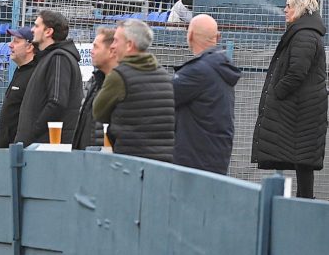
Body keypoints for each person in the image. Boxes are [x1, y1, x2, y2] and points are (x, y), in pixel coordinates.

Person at [252, 0, 327, 198]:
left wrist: (277, 93)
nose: (285, 10)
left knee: (303, 160)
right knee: (301, 159)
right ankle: (304, 201)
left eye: (289, 6)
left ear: (300, 8)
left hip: (302, 109)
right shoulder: (305, 32)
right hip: (302, 108)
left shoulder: (305, 35)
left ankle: (305, 204)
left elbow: (297, 72)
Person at [93, 20, 174, 162]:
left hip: (130, 162)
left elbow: (98, 113)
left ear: (129, 45)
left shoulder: (119, 76)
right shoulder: (165, 76)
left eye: (116, 41)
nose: (112, 46)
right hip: (164, 163)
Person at [173, 15, 241, 174]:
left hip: (193, 164)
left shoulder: (198, 71)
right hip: (215, 159)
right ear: (218, 37)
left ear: (189, 36)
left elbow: (162, 97)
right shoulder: (219, 66)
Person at [14, 10, 83, 145]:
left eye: (37, 26)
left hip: (45, 147)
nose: (32, 30)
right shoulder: (49, 57)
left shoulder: (59, 58)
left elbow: (57, 102)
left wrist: (33, 131)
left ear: (48, 32)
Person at [0, 26, 38, 149]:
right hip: (8, 150)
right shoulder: (20, 70)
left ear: (30, 47)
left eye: (16, 42)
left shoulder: (35, 75)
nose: (10, 45)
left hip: (19, 152)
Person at [72, 27, 116, 150]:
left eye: (96, 47)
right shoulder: (96, 80)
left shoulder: (120, 84)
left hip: (104, 160)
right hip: (88, 156)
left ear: (111, 51)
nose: (91, 51)